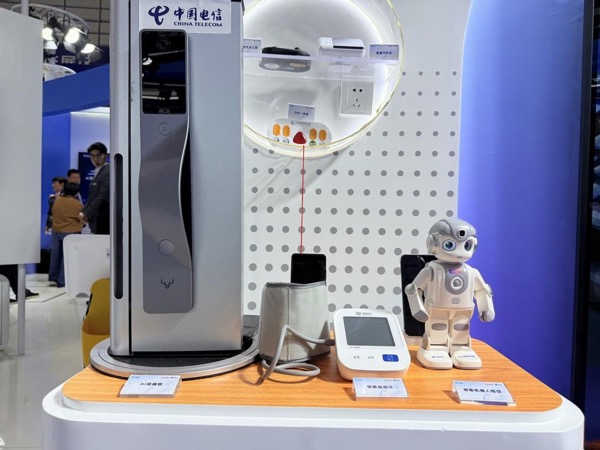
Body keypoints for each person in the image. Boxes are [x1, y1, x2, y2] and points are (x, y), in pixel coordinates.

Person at [48, 183, 83, 288]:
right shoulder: (77, 204)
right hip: (70, 232)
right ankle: (62, 280)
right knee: (66, 257)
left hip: (56, 230)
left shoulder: (57, 201)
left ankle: (53, 277)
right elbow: (82, 217)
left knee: (55, 256)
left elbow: (52, 213)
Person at [80, 142, 110, 235]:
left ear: (105, 155)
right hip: (97, 217)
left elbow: (102, 196)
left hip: (103, 217)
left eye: (98, 155)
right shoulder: (99, 171)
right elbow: (92, 197)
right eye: (92, 156)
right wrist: (84, 212)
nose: (95, 158)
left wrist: (86, 213)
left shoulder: (107, 171)